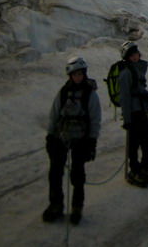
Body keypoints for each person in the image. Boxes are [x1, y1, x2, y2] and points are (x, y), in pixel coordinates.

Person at [43, 57, 101, 224]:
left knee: (77, 174)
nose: (78, 77)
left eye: (80, 74)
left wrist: (92, 141)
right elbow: (54, 115)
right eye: (75, 74)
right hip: (62, 136)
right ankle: (56, 204)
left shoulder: (90, 94)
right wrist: (50, 135)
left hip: (81, 139)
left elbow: (95, 119)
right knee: (55, 172)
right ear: (70, 75)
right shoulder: (63, 93)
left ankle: (77, 206)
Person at [118, 41, 148, 187]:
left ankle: (145, 166)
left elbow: (139, 89)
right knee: (134, 143)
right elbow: (124, 97)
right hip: (134, 113)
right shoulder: (125, 73)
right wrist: (127, 119)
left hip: (142, 110)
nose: (135, 57)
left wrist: (145, 96)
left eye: (136, 54)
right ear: (127, 57)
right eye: (132, 55)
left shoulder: (138, 70)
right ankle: (134, 169)